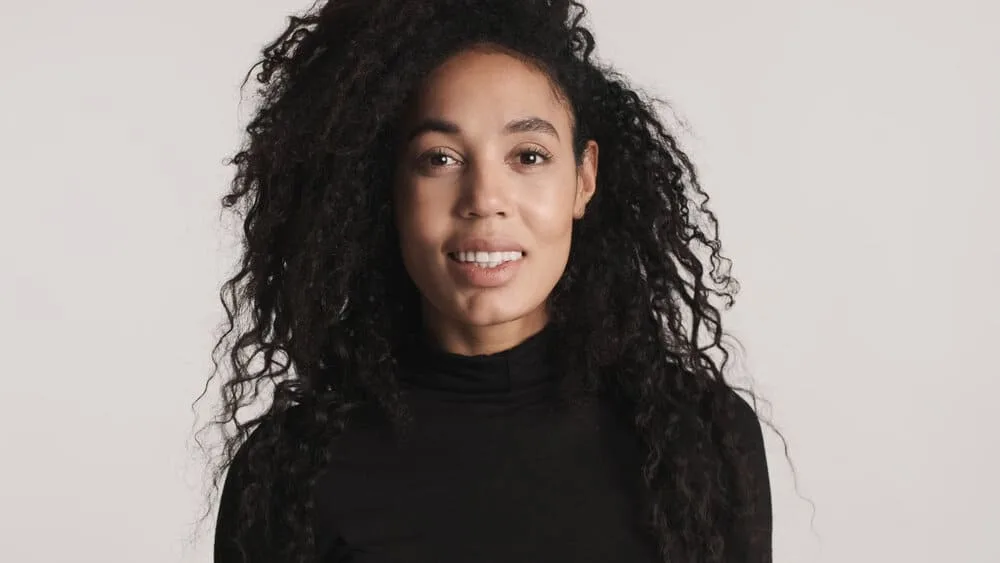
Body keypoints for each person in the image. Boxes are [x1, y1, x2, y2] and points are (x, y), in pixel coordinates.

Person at [206, 0, 773, 561]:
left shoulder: (699, 443)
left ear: (584, 179)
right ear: (387, 190)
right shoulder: (290, 473)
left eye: (528, 156)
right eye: (441, 159)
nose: (484, 201)